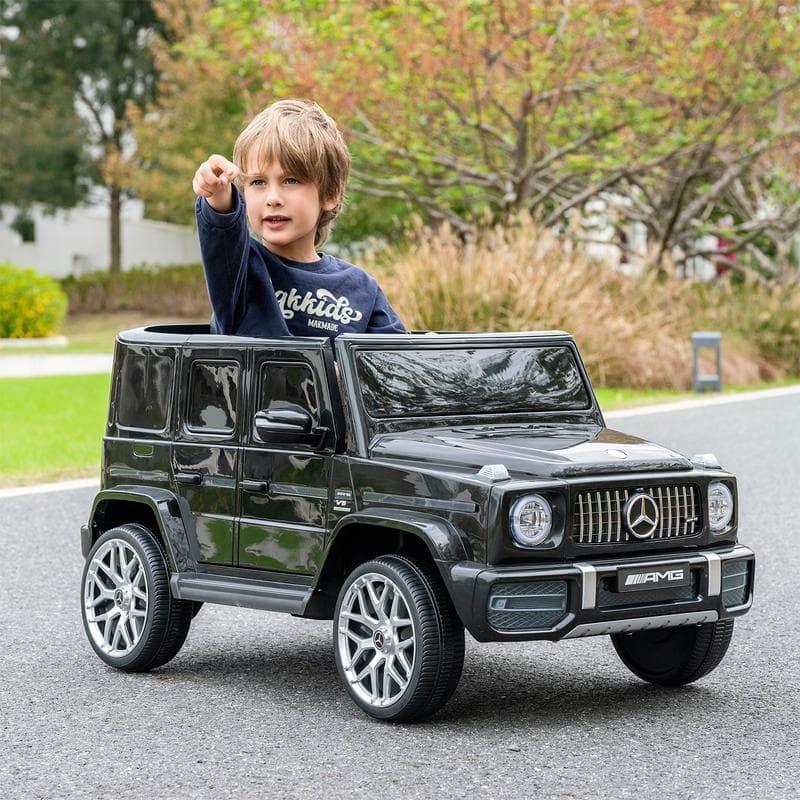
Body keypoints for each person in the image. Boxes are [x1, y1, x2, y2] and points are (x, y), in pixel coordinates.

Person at [192, 99, 405, 339]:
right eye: (258, 182)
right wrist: (217, 193)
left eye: (291, 180)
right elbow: (223, 230)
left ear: (330, 194)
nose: (273, 198)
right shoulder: (239, 270)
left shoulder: (362, 289)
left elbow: (395, 363)